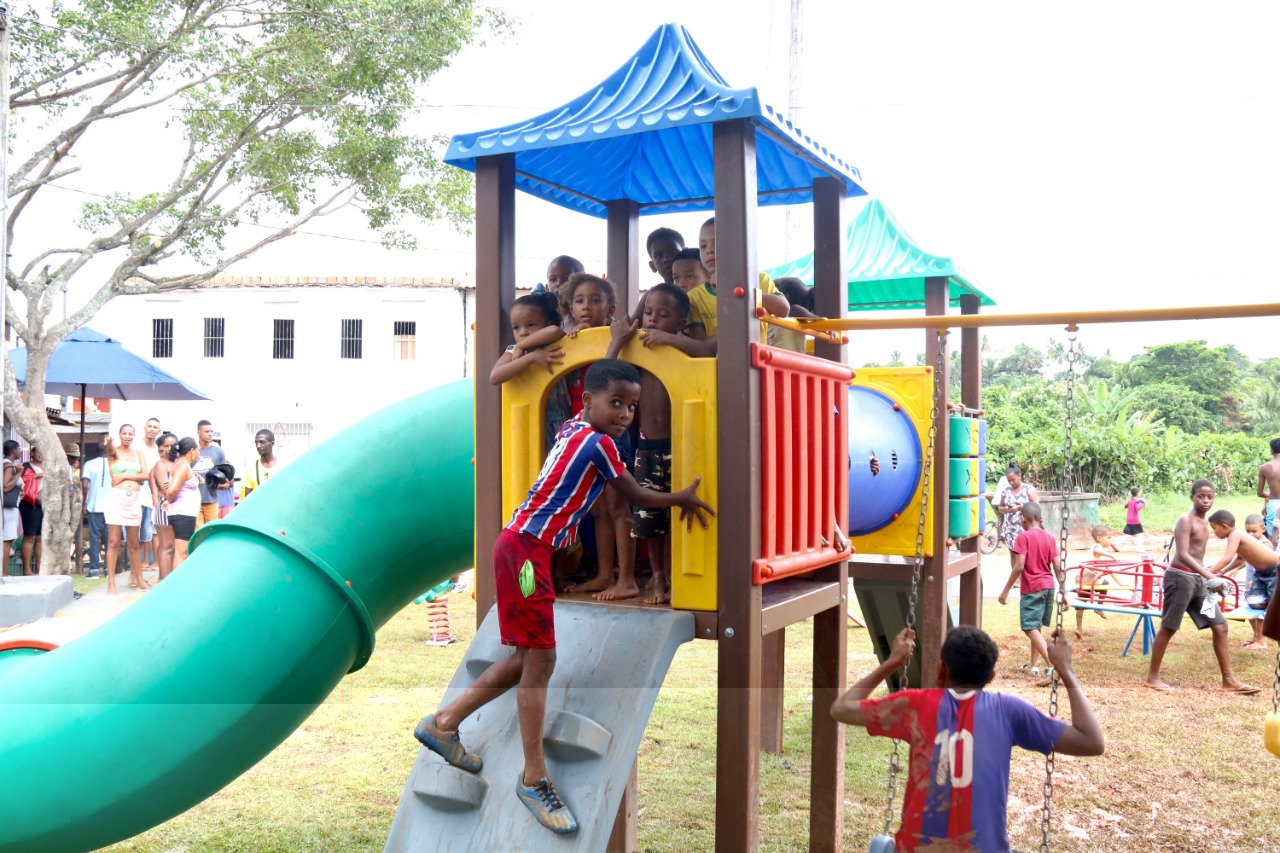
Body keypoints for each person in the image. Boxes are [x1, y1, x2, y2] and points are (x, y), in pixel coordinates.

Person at [413, 359, 713, 834]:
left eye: (632, 406)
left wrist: (615, 346)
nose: (625, 414)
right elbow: (633, 493)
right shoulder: (599, 444)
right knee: (540, 663)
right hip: (527, 556)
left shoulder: (574, 428)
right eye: (615, 403)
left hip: (520, 549)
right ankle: (534, 778)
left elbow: (598, 383)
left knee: (523, 659)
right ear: (587, 401)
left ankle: (443, 722)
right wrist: (681, 498)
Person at [830, 626, 1104, 853]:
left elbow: (841, 708)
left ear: (941, 668)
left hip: (915, 849)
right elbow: (1092, 742)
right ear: (992, 677)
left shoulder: (914, 704)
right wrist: (1066, 671)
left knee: (880, 845)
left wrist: (892, 662)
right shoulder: (1009, 710)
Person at [602, 283, 708, 603]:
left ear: (680, 322)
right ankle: (657, 577)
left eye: (663, 315)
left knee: (677, 516)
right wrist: (621, 336)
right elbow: (606, 371)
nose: (652, 320)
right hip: (648, 447)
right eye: (648, 313)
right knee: (648, 518)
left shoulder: (682, 348)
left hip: (682, 447)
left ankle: (677, 577)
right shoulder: (640, 350)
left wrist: (673, 340)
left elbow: (710, 350)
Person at [1144, 480, 1259, 694]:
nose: (1206, 500)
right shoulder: (1185, 520)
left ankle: (1229, 680)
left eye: (1210, 497)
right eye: (1201, 496)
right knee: (1169, 627)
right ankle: (1152, 677)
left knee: (1220, 625)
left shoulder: (1206, 523)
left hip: (1198, 581)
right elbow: (1183, 554)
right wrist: (1209, 575)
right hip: (1180, 578)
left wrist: (1209, 575)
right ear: (1191, 497)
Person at [686, 217, 789, 353]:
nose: (709, 251)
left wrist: (741, 293)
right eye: (703, 246)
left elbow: (783, 309)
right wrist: (736, 335)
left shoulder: (757, 278)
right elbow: (698, 346)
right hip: (714, 370)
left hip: (755, 367)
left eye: (717, 243)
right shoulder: (695, 297)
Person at [997, 502, 1060, 683]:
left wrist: (1005, 591)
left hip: (1033, 587)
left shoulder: (1023, 537)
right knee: (1036, 626)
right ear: (1040, 520)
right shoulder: (1050, 537)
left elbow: (1019, 566)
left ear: (1022, 519)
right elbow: (1057, 567)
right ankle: (1033, 665)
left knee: (1029, 627)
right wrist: (1063, 590)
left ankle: (1054, 666)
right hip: (1048, 586)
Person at [1206, 510, 1277, 651]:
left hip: (1274, 571)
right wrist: (1222, 572)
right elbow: (1239, 558)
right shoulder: (1236, 536)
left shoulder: (1235, 534)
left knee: (1275, 606)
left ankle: (1264, 636)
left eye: (1214, 528)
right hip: (1260, 574)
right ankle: (1259, 636)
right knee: (1254, 603)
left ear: (1224, 526)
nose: (1214, 532)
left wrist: (1207, 573)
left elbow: (1226, 557)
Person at [104, 425, 150, 594]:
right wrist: (109, 443)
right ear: (119, 435)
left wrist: (124, 475)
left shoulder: (139, 454)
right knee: (114, 541)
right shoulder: (114, 452)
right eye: (124, 433)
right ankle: (111, 583)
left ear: (134, 435)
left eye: (131, 433)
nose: (127, 436)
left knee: (134, 543)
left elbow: (145, 475)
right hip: (117, 499)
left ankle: (139, 580)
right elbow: (110, 450)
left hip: (134, 500)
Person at [165, 437, 204, 570]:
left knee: (182, 552)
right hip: (183, 514)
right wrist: (169, 500)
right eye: (198, 450)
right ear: (192, 451)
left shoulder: (183, 465)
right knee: (181, 553)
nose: (199, 453)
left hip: (184, 514)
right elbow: (172, 491)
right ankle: (176, 587)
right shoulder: (182, 466)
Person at [1075, 525, 1118, 639]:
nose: (1110, 540)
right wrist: (1111, 555)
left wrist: (1120, 583)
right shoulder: (1097, 547)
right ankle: (1099, 606)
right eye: (1108, 538)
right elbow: (1097, 551)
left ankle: (1079, 628)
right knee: (1104, 584)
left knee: (1081, 604)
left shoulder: (1101, 552)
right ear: (1099, 538)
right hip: (1086, 578)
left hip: (1084, 579)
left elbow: (1109, 569)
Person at [149, 433, 179, 581]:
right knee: (167, 545)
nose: (169, 449)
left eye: (172, 445)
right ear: (160, 448)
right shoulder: (160, 464)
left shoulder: (180, 462)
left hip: (179, 505)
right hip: (164, 506)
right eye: (165, 446)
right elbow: (166, 488)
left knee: (175, 546)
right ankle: (163, 579)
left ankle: (169, 578)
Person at [994, 464, 1038, 562]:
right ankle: (1016, 576)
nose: (1011, 482)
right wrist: (1005, 509)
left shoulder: (1028, 489)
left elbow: (1036, 506)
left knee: (1025, 555)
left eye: (1013, 479)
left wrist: (1019, 508)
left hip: (1024, 528)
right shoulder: (1006, 491)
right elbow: (999, 508)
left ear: (1019, 475)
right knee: (1013, 553)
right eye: (1009, 480)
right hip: (1010, 529)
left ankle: (1025, 576)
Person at [81, 445, 110, 578]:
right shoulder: (114, 464)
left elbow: (85, 484)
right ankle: (108, 569)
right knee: (110, 539)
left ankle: (94, 570)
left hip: (94, 506)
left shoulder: (89, 464)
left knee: (94, 538)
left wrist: (84, 503)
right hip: (112, 507)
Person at [137, 417, 162, 568]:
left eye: (155, 427)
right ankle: (139, 561)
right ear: (144, 428)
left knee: (154, 527)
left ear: (159, 431)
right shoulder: (136, 446)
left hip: (156, 492)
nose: (152, 429)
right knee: (139, 528)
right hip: (138, 492)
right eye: (150, 426)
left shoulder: (159, 449)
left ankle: (155, 561)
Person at [770, 276, 817, 353]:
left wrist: (824, 325)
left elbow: (795, 309)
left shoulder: (789, 313)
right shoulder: (796, 322)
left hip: (780, 360)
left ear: (786, 298)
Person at [194, 420, 227, 528]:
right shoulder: (192, 451)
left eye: (211, 431)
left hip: (212, 499)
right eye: (206, 431)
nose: (210, 434)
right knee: (197, 533)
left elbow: (225, 475)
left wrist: (224, 484)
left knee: (211, 531)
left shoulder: (218, 452)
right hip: (194, 500)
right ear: (198, 432)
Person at [18, 448, 45, 575]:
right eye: (37, 451)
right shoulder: (26, 466)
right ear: (32, 453)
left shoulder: (48, 466)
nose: (40, 454)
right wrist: (40, 475)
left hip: (45, 506)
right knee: (30, 537)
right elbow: (24, 481)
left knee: (40, 538)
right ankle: (27, 570)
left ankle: (40, 570)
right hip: (30, 504)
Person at [242, 429, 287, 498]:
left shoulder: (284, 465)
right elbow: (246, 499)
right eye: (256, 442)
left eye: (262, 442)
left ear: (272, 443)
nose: (258, 446)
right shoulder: (251, 468)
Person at [3, 440, 23, 575]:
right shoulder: (9, 466)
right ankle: (3, 573)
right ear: (13, 451)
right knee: (7, 541)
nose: (20, 451)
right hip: (8, 509)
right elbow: (5, 487)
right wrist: (19, 473)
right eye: (19, 449)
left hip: (7, 508)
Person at [1257, 437, 1280, 547]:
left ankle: (1273, 563)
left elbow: (1260, 493)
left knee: (1272, 539)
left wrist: (1272, 495)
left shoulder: (1265, 467)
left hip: (1274, 505)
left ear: (1271, 450)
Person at [1123, 486, 1147, 550]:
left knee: (1128, 534)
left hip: (1129, 519)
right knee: (1140, 534)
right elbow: (1137, 508)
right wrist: (1144, 504)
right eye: (1139, 493)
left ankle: (1117, 542)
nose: (1140, 494)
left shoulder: (1131, 500)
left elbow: (1126, 506)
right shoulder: (1136, 501)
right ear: (1137, 494)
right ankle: (1139, 548)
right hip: (1135, 520)